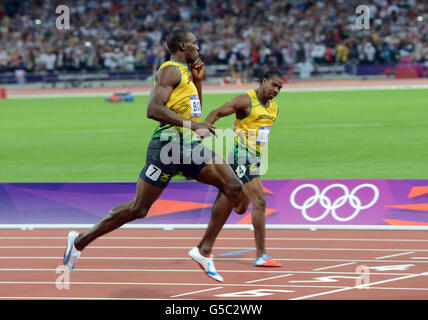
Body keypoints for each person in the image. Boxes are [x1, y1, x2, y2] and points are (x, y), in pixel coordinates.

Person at [63, 29, 242, 282]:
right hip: (167, 147)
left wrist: (199, 82)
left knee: (232, 185)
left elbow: (194, 113)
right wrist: (193, 126)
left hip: (188, 146)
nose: (198, 48)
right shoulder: (169, 70)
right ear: (183, 45)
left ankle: (203, 250)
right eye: (195, 44)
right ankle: (79, 241)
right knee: (139, 209)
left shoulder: (187, 74)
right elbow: (153, 109)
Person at [204, 69, 283, 267]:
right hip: (240, 156)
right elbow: (218, 112)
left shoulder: (274, 109)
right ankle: (261, 255)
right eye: (273, 85)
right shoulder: (245, 100)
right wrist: (203, 127)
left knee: (239, 208)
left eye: (280, 87)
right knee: (261, 201)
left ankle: (222, 201)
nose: (276, 90)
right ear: (263, 81)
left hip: (254, 159)